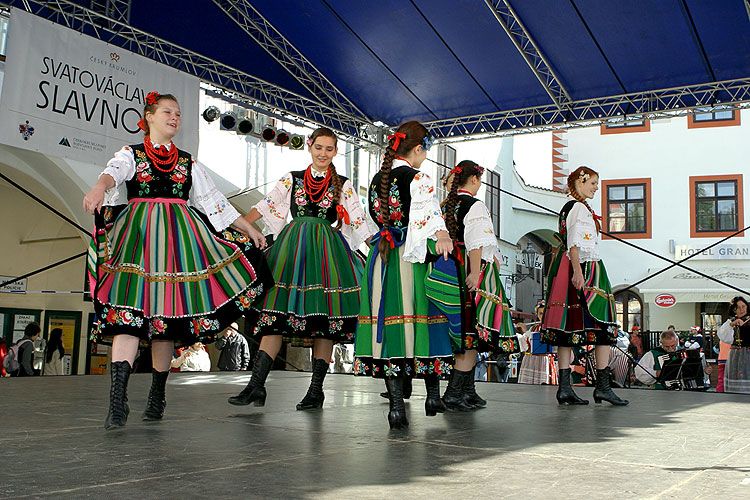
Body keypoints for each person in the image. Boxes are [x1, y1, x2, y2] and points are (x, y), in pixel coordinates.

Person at [83, 91, 273, 430]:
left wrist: (250, 229)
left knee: (164, 322)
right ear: (149, 116)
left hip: (178, 246)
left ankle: (157, 393)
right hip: (138, 243)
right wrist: (100, 187)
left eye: (179, 114)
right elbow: (113, 172)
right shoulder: (133, 154)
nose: (174, 117)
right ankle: (117, 400)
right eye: (168, 111)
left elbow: (216, 204)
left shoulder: (188, 163)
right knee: (127, 317)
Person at [229, 127, 372, 411]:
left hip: (327, 255)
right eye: (319, 147)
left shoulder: (343, 184)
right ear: (310, 146)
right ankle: (256, 385)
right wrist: (241, 223)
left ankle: (316, 390)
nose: (323, 153)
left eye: (329, 149)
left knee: (323, 324)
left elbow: (359, 221)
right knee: (273, 317)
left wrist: (382, 248)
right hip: (292, 251)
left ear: (335, 151)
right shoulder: (291, 179)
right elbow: (267, 205)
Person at [354, 121, 455, 429]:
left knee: (392, 328)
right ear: (417, 149)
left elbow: (373, 222)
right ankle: (432, 395)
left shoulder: (376, 180)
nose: (425, 157)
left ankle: (397, 407)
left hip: (382, 258)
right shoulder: (417, 177)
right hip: (410, 258)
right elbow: (428, 211)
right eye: (426, 151)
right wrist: (442, 235)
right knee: (427, 319)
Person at [541, 166, 628, 406]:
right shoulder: (579, 208)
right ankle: (602, 387)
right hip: (584, 269)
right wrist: (578, 271)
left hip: (569, 267)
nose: (596, 187)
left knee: (567, 331)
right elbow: (575, 241)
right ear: (580, 181)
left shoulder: (571, 207)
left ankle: (565, 388)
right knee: (603, 327)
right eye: (593, 182)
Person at [439, 160, 518, 410]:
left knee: (466, 330)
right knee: (473, 331)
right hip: (473, 271)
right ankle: (453, 393)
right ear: (475, 180)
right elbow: (476, 242)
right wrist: (475, 273)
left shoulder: (446, 206)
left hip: (449, 270)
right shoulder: (475, 205)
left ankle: (467, 390)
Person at [519, 301, 558, 385]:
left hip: (544, 360)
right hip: (531, 360)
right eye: (540, 313)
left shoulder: (552, 327)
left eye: (545, 313)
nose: (542, 316)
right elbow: (525, 344)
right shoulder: (533, 328)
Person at [717, 296, 750, 394]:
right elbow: (723, 336)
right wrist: (732, 324)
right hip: (737, 355)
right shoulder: (730, 322)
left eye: (743, 306)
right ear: (734, 310)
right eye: (738, 308)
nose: (741, 309)